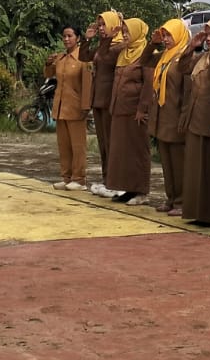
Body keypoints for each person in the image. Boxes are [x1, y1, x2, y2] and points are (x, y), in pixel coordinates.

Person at [179, 18, 210, 227]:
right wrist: (191, 47)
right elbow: (182, 68)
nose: (208, 39)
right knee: (195, 168)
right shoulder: (202, 58)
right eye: (206, 35)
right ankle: (198, 212)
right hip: (195, 118)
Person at [105, 17, 155, 205]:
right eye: (123, 31)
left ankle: (141, 190)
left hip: (135, 112)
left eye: (127, 31)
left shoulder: (146, 54)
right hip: (119, 109)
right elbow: (103, 54)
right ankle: (128, 188)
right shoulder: (123, 53)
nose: (125, 34)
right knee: (122, 152)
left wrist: (142, 109)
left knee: (137, 151)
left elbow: (148, 85)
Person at [145, 18, 192, 214]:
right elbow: (145, 61)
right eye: (164, 35)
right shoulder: (164, 57)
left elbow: (188, 92)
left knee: (178, 161)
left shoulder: (183, 58)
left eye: (169, 35)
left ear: (179, 35)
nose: (165, 39)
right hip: (161, 116)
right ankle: (170, 198)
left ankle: (181, 201)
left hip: (175, 116)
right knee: (166, 161)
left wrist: (184, 117)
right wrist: (153, 43)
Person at [80, 11, 127, 192]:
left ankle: (115, 181)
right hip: (98, 100)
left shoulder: (119, 46)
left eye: (103, 25)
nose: (100, 28)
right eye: (98, 25)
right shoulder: (103, 46)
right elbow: (84, 57)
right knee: (103, 144)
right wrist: (87, 40)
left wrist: (109, 39)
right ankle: (107, 179)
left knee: (112, 143)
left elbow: (108, 58)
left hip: (110, 101)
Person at [44, 25, 93, 190]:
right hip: (60, 106)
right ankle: (66, 177)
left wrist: (86, 106)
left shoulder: (83, 58)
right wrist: (48, 63)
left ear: (78, 38)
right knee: (63, 145)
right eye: (64, 36)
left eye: (70, 36)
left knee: (78, 145)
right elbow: (48, 74)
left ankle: (79, 179)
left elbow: (87, 83)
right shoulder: (61, 58)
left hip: (76, 106)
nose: (66, 39)